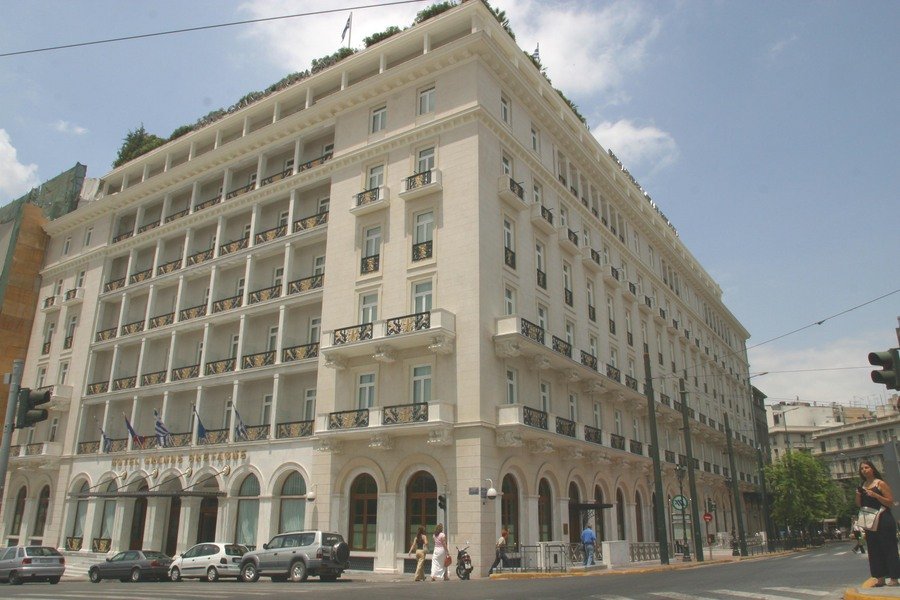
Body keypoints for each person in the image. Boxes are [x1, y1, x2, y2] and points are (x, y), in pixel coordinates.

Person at [857, 460, 900, 587]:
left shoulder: (880, 483)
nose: (864, 470)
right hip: (870, 521)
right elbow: (859, 504)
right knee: (874, 549)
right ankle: (880, 577)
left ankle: (894, 577)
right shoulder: (862, 485)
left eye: (866, 467)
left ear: (872, 469)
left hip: (883, 518)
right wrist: (858, 494)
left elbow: (890, 502)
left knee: (889, 548)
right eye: (862, 468)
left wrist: (875, 495)